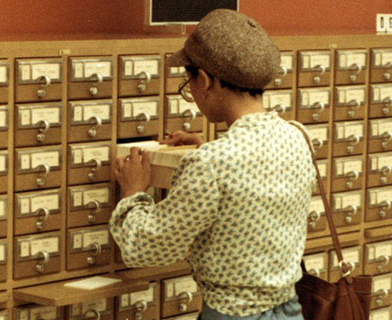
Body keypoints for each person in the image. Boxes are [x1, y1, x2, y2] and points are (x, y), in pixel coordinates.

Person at [109, 9, 317, 320]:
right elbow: (251, 185)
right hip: (289, 311)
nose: (190, 90)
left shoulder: (211, 164)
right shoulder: (298, 136)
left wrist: (134, 193)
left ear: (204, 80)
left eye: (188, 80)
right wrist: (206, 148)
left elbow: (147, 247)